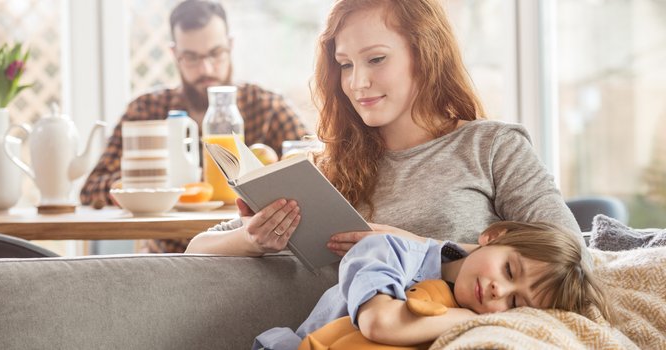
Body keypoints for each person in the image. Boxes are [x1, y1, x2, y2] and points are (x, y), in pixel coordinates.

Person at [185, 0, 580, 256]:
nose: (357, 83)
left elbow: (570, 254)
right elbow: (197, 249)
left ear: (425, 55)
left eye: (375, 59)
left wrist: (420, 249)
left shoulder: (492, 147)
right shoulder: (327, 170)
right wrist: (252, 238)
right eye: (345, 64)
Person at [80, 0, 310, 252]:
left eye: (215, 53)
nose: (206, 68)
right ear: (174, 54)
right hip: (168, 258)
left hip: (249, 259)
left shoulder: (266, 108)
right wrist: (160, 186)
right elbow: (92, 188)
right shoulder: (147, 110)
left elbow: (315, 168)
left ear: (230, 46)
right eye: (191, 57)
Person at [253, 221, 611, 349]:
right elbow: (380, 323)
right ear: (494, 236)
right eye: (508, 270)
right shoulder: (390, 251)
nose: (498, 291)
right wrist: (490, 319)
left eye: (516, 304)